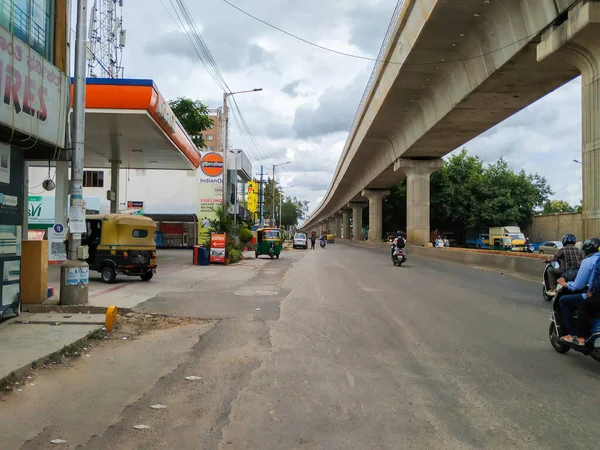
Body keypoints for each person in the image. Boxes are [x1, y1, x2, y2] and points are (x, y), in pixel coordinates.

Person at [557, 238, 600, 345]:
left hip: (594, 294)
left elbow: (578, 285)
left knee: (565, 301)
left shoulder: (589, 261)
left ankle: (576, 336)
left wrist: (566, 284)